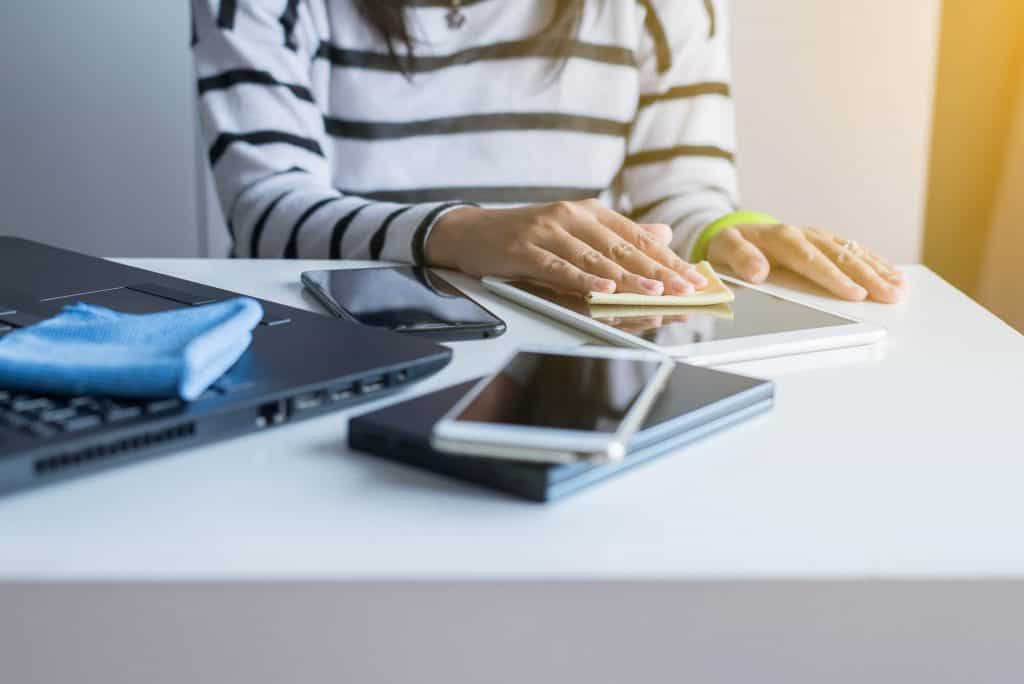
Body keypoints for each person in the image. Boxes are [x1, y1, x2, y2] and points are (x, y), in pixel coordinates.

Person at [191, 0, 907, 303]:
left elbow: (677, 197)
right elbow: (268, 211)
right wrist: (462, 233)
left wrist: (727, 235)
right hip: (334, 347)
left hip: (572, 361)